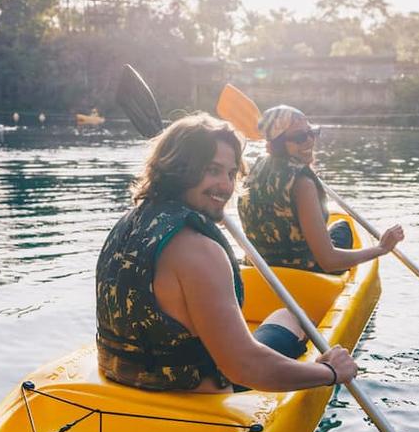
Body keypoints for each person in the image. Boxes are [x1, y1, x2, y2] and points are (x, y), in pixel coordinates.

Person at [95, 112, 358, 393]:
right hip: (195, 392)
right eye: (212, 170)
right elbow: (245, 368)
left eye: (231, 173)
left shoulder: (128, 223)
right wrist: (328, 371)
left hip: (121, 376)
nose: (226, 185)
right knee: (288, 316)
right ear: (180, 169)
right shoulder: (200, 251)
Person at [237, 105, 404, 274]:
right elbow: (328, 261)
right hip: (305, 273)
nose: (310, 140)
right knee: (343, 228)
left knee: (337, 227)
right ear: (279, 143)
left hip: (260, 269)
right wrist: (381, 249)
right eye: (300, 137)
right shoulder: (303, 183)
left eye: (312, 132)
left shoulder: (257, 166)